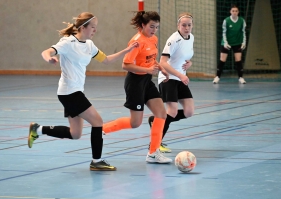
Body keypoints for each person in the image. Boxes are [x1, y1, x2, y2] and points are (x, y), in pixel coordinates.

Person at [28, 12, 139, 171]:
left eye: (96, 27)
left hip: (75, 91)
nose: (95, 30)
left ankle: (37, 129)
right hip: (69, 92)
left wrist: (127, 50)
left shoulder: (89, 45)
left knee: (75, 133)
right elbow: (47, 52)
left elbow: (106, 60)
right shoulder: (68, 42)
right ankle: (97, 161)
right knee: (98, 122)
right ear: (83, 27)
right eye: (92, 27)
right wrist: (49, 59)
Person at [102, 11, 172, 164]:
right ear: (143, 25)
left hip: (147, 81)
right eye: (151, 26)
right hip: (135, 83)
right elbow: (125, 65)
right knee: (136, 123)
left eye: (156, 27)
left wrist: (161, 68)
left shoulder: (153, 39)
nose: (153, 30)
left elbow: (150, 60)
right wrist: (147, 70)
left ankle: (153, 153)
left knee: (161, 114)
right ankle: (102, 129)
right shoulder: (137, 41)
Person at [148, 12, 195, 153]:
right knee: (172, 111)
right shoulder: (173, 40)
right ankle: (155, 143)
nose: (186, 28)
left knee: (189, 112)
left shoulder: (191, 37)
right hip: (168, 78)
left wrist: (189, 63)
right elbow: (163, 62)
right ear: (178, 26)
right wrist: (180, 75)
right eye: (184, 25)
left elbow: (185, 57)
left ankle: (156, 121)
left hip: (180, 78)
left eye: (189, 25)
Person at [213, 4, 247, 84]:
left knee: (238, 60)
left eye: (236, 11)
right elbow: (224, 33)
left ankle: (241, 77)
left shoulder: (242, 21)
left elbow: (243, 32)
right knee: (222, 60)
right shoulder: (226, 21)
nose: (234, 12)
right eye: (233, 11)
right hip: (226, 43)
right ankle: (217, 77)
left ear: (238, 12)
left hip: (237, 42)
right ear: (230, 12)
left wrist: (244, 42)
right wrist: (225, 43)